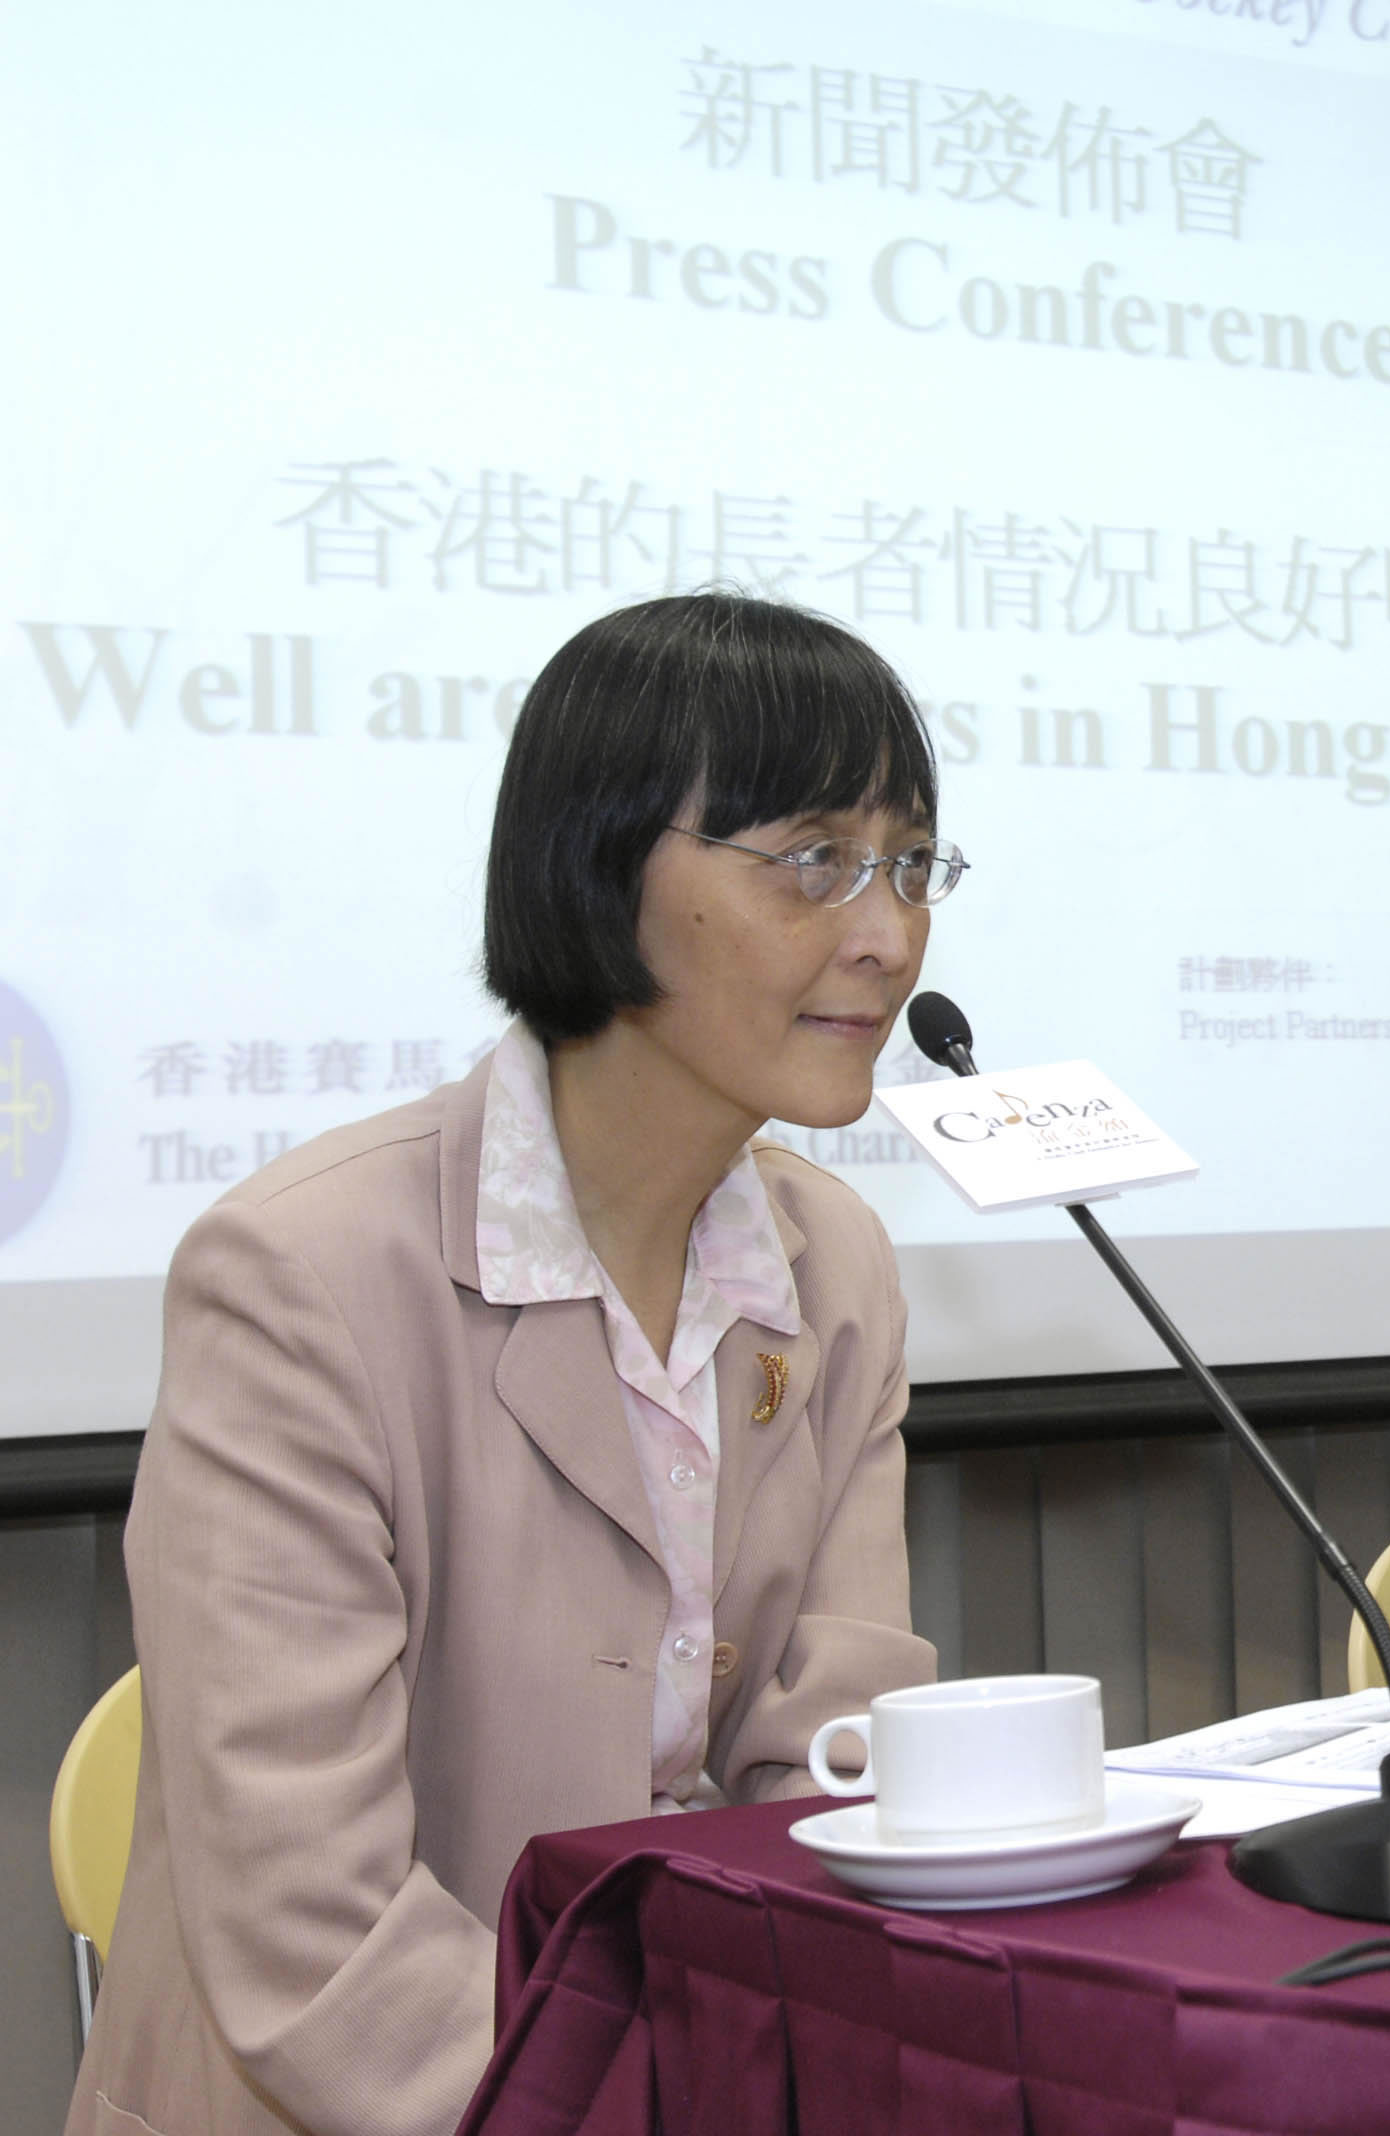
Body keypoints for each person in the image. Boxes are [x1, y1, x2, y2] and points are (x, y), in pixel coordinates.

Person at [70, 593, 964, 2136]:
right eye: (814, 860)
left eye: (908, 864)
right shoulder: (303, 1278)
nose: (885, 935)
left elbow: (834, 1777)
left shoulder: (835, 1268)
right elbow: (315, 1936)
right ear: (601, 867)